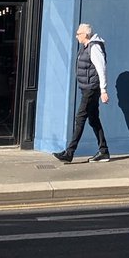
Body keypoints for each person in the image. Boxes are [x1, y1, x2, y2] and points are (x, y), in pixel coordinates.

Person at [53, 22, 110, 164]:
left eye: (78, 33)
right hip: (87, 88)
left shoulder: (94, 47)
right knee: (93, 119)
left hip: (91, 88)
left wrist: (103, 90)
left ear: (86, 35)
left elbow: (101, 69)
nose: (76, 36)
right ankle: (104, 151)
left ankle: (69, 152)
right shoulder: (85, 47)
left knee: (80, 118)